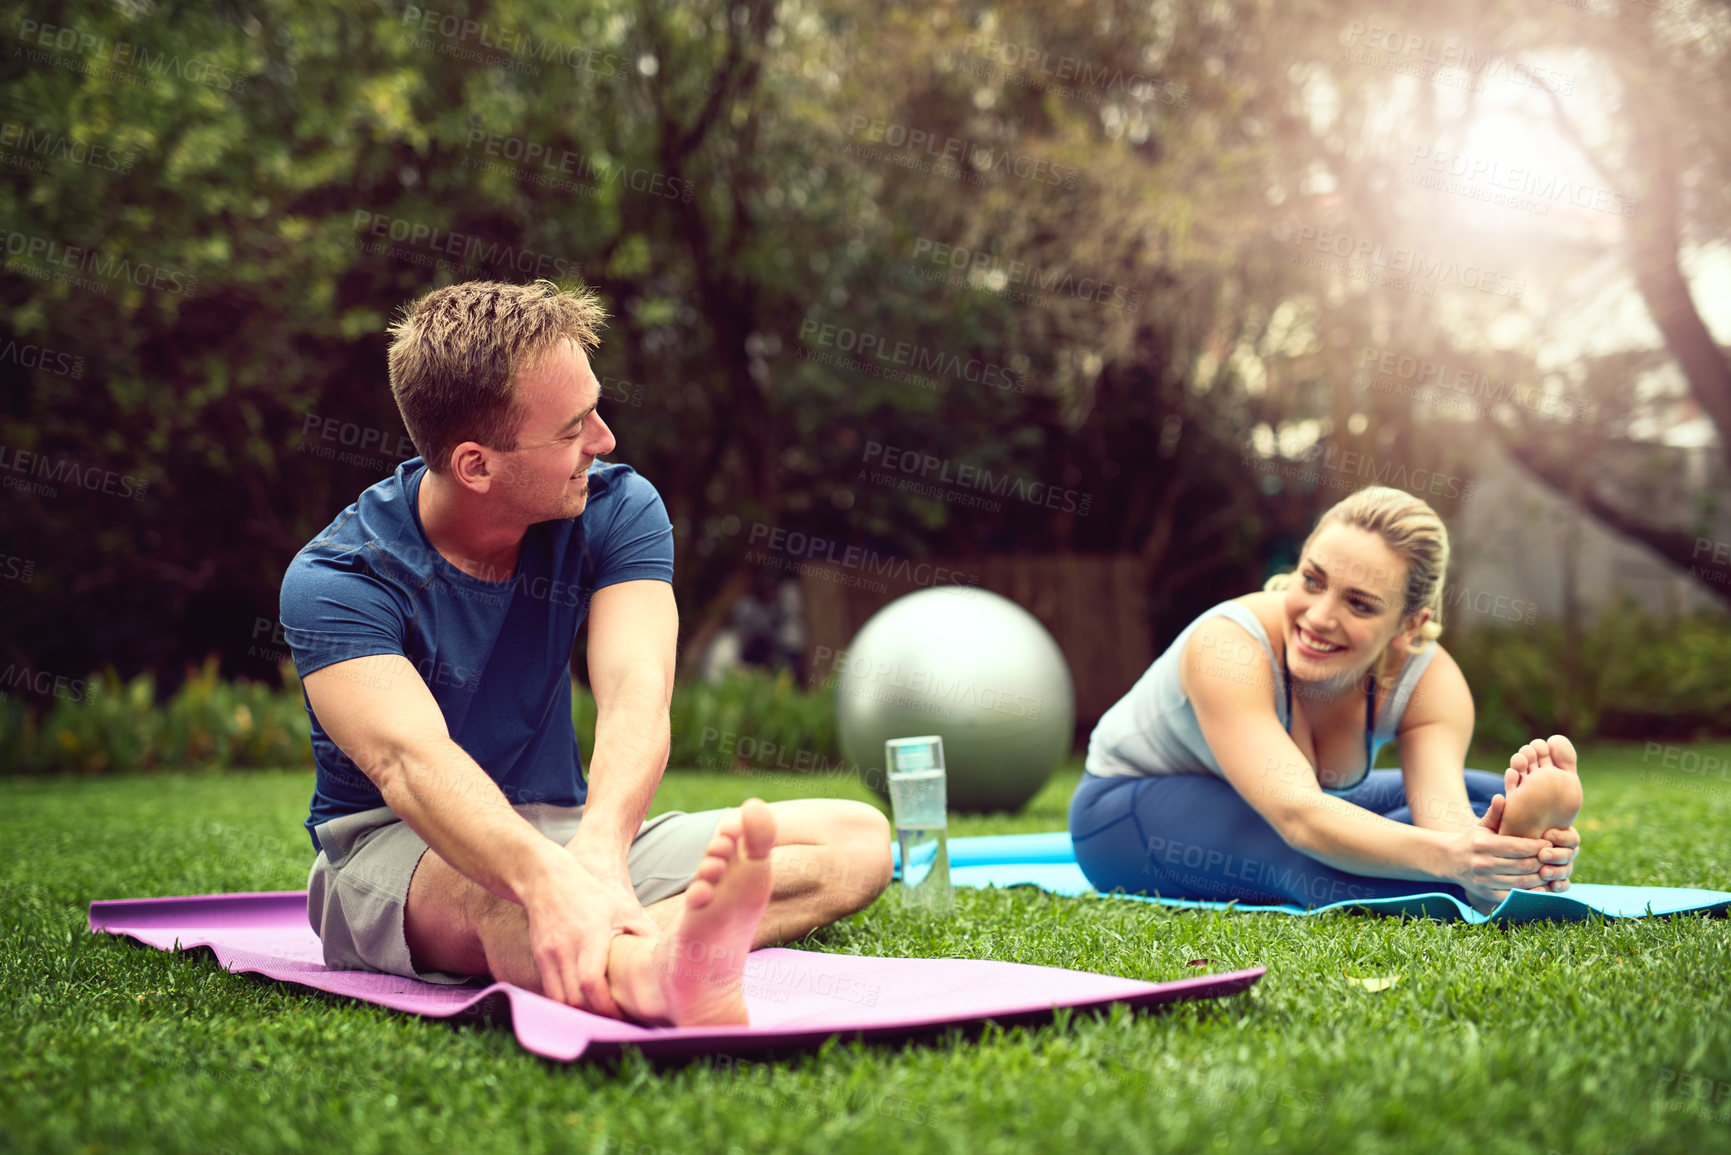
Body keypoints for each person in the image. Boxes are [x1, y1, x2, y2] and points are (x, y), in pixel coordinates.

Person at [280, 280, 891, 1026]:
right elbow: (413, 766)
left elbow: (637, 691)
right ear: (475, 465)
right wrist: (545, 878)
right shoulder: (338, 579)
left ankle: (647, 936)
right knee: (502, 897)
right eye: (572, 429)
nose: (601, 441)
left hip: (568, 829)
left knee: (858, 839)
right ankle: (653, 973)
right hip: (397, 850)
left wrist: (600, 849)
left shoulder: (616, 507)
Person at [1069, 486, 1582, 914]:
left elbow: (1440, 815)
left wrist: (1486, 846)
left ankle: (1495, 868)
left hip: (1292, 806)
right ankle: (1487, 876)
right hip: (1126, 812)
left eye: (1358, 603)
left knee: (1483, 794)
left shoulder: (1430, 681)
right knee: (1305, 857)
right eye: (1312, 581)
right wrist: (1458, 856)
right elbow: (1299, 817)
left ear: (1409, 626)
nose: (1318, 616)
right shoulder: (1227, 646)